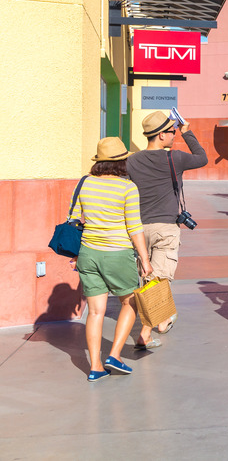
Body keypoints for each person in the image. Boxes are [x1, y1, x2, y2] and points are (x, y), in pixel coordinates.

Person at [70, 137, 152, 381]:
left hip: (88, 253)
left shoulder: (85, 183)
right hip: (118, 254)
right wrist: (145, 260)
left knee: (95, 312)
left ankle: (95, 367)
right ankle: (114, 355)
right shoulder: (127, 188)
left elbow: (74, 218)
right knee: (130, 302)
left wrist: (77, 254)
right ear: (122, 162)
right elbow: (135, 227)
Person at [126, 110, 207, 340]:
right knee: (159, 278)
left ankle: (160, 318)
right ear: (161, 135)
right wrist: (188, 132)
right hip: (165, 228)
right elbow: (202, 158)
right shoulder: (176, 158)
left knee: (148, 276)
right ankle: (148, 330)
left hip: (138, 229)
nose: (175, 134)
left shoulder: (131, 161)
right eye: (171, 131)